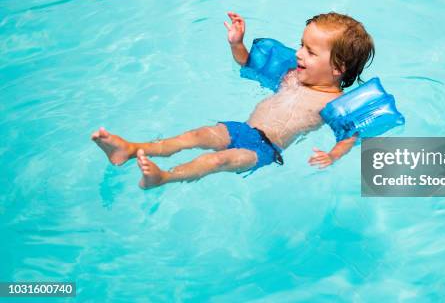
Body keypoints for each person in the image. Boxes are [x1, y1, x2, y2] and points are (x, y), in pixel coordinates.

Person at [91, 11, 375, 189]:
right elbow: (250, 67)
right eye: (301, 45)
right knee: (197, 134)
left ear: (338, 68)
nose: (299, 53)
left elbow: (349, 134)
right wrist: (237, 44)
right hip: (243, 129)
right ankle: (130, 149)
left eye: (310, 52)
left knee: (218, 161)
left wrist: (332, 155)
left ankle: (164, 177)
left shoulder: (334, 104)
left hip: (265, 150)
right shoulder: (293, 75)